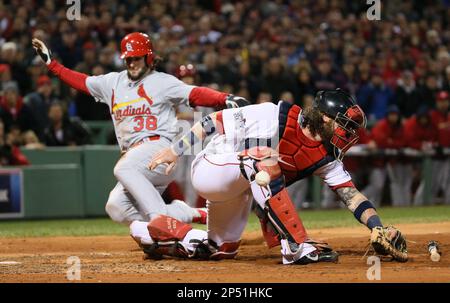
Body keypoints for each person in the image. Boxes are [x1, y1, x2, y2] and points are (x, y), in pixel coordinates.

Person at [31, 33, 249, 245]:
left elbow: (194, 93)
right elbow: (81, 81)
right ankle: (190, 213)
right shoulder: (112, 83)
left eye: (137, 58)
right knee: (116, 206)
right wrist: (53, 65)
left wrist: (224, 98)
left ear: (149, 58)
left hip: (159, 149)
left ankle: (161, 222)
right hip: (135, 159)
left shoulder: (161, 81)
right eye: (128, 59)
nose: (132, 63)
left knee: (123, 170)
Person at [145, 89, 408, 264]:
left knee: (221, 249)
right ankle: (296, 247)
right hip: (212, 168)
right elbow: (212, 120)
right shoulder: (275, 115)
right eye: (345, 125)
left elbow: (350, 195)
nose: (349, 134)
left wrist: (377, 227)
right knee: (264, 157)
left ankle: (165, 235)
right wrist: (175, 150)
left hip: (241, 186)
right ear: (325, 118)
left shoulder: (326, 155)